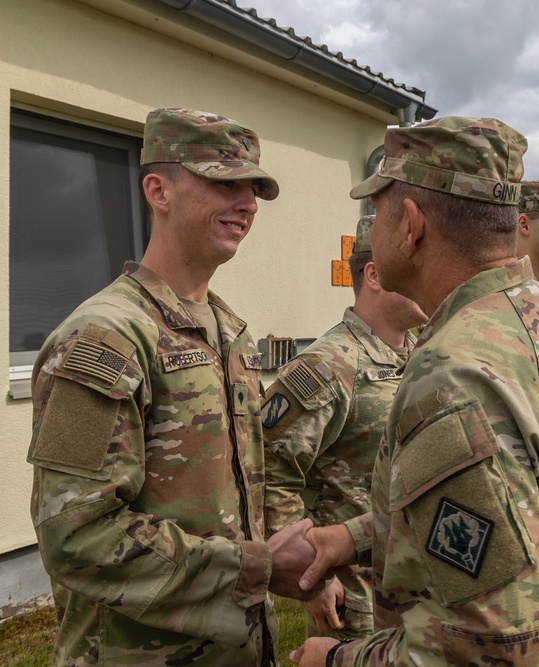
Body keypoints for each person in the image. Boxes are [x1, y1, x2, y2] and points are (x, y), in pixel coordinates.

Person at [289, 116, 539, 666]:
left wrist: (333, 660)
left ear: (410, 223)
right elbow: (523, 507)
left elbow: (487, 646)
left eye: (376, 213)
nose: (373, 234)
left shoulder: (454, 370)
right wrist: (360, 534)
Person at [26, 107, 321, 666]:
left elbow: (244, 483)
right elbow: (76, 535)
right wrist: (252, 568)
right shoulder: (107, 338)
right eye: (224, 182)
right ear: (159, 191)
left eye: (253, 188)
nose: (248, 203)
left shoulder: (229, 331)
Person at [263, 215, 427, 639]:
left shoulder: (423, 354)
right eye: (416, 267)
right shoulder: (327, 367)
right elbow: (267, 473)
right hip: (357, 605)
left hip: (419, 589)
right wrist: (311, 579)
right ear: (374, 274)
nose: (429, 279)